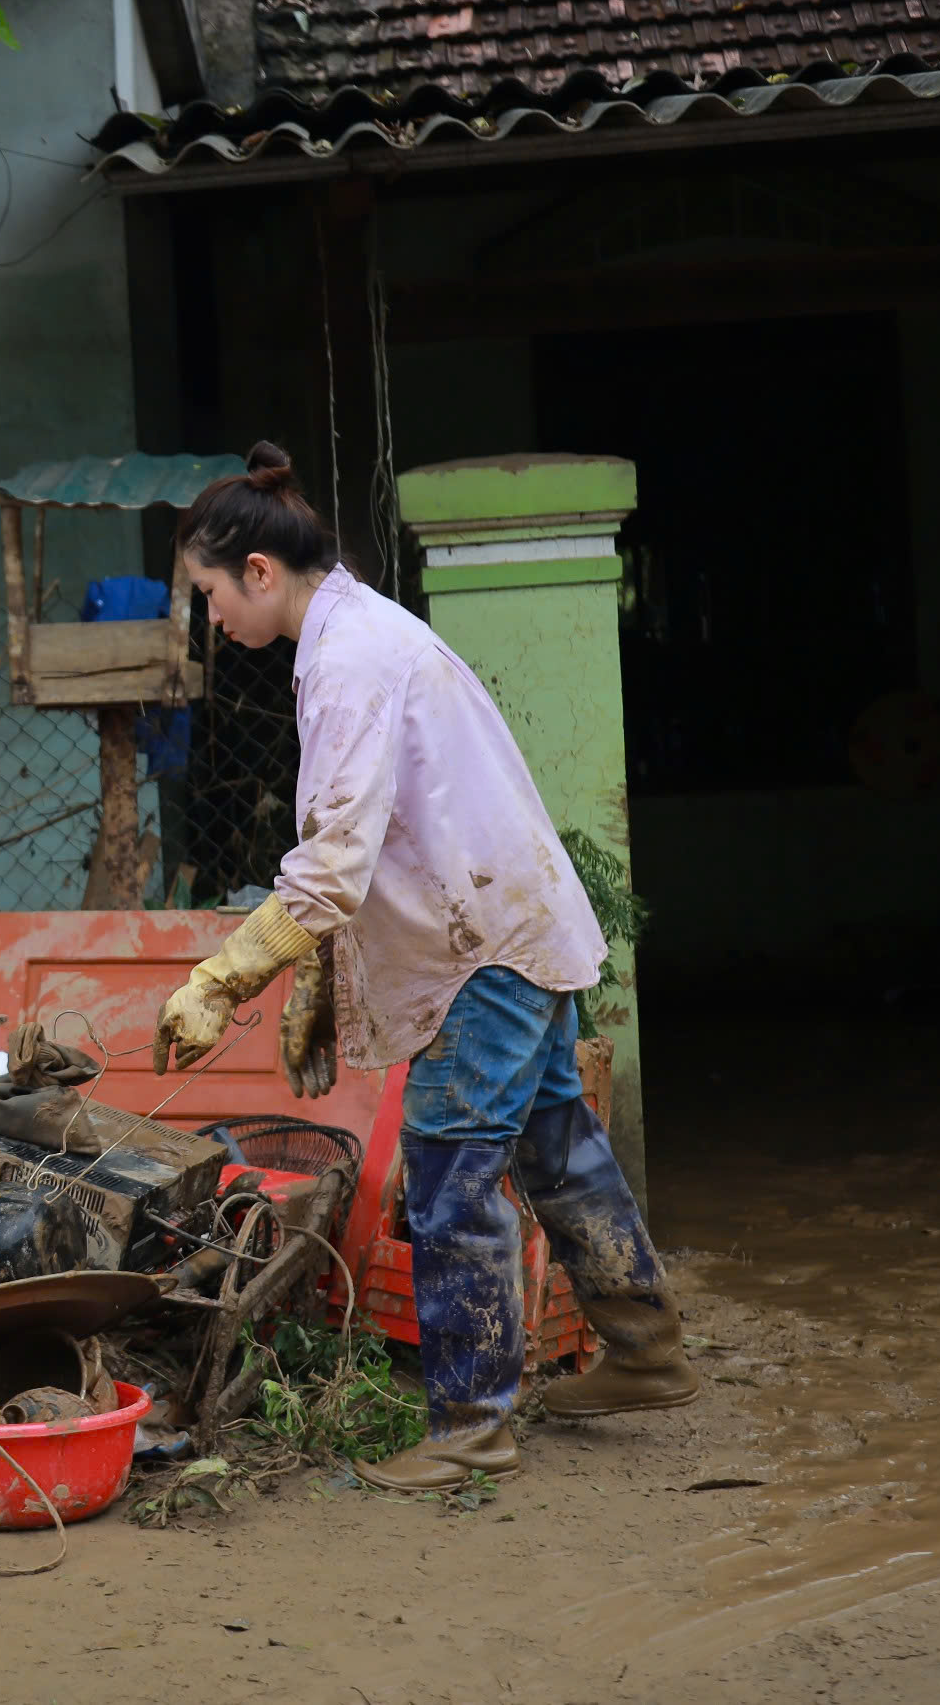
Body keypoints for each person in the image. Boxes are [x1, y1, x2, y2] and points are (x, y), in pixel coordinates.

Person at [152, 442, 695, 1493]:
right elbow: (355, 846)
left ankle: (469, 1427)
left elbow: (333, 861)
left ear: (258, 573)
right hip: (508, 926)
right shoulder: (358, 633)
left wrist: (223, 978)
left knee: (450, 1177)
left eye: (209, 595)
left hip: (478, 948)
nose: (209, 620)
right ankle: (644, 1349)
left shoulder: (347, 659)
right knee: (554, 1144)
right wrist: (312, 970)